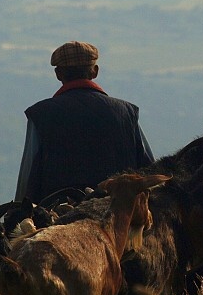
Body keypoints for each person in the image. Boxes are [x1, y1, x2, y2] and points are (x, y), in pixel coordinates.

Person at [15, 41, 154, 202]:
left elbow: (28, 172)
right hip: (117, 209)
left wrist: (20, 210)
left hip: (57, 212)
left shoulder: (40, 114)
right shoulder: (126, 112)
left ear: (58, 74)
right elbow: (148, 169)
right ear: (95, 71)